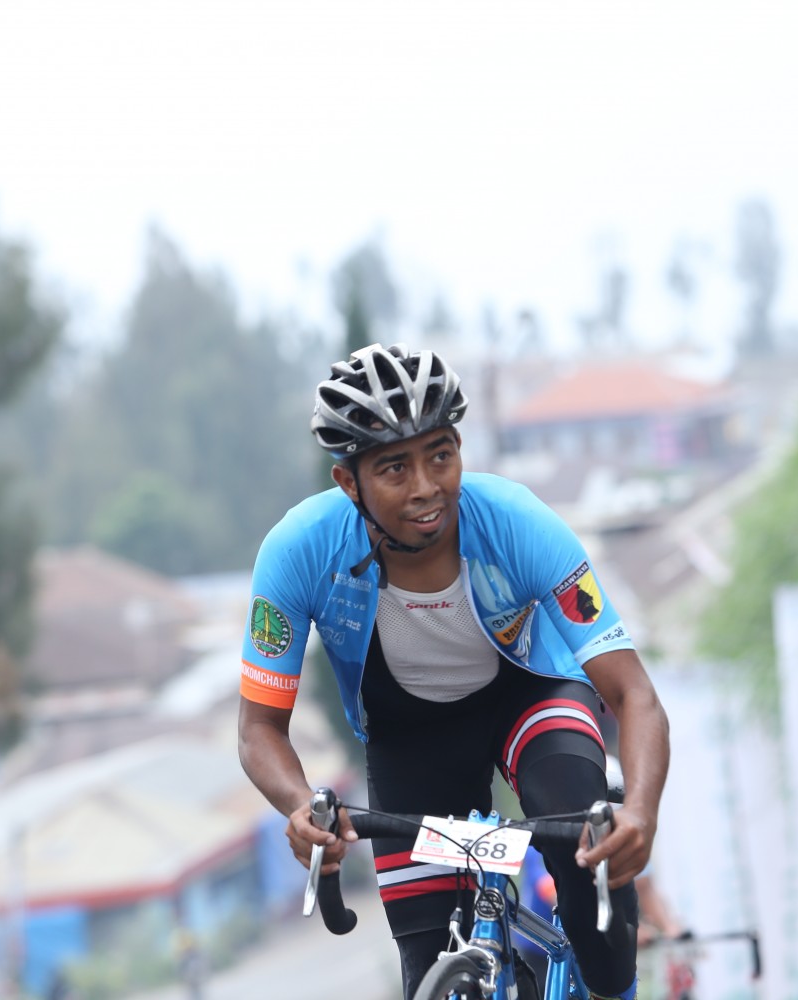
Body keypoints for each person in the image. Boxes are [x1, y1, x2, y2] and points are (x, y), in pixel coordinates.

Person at [237, 343, 671, 1000]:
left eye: (440, 455)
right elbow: (259, 729)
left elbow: (634, 693)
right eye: (394, 467)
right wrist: (301, 807)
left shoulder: (518, 523)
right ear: (348, 483)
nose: (425, 487)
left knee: (589, 885)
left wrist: (638, 813)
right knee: (426, 970)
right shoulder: (299, 551)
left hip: (530, 700)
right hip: (411, 738)